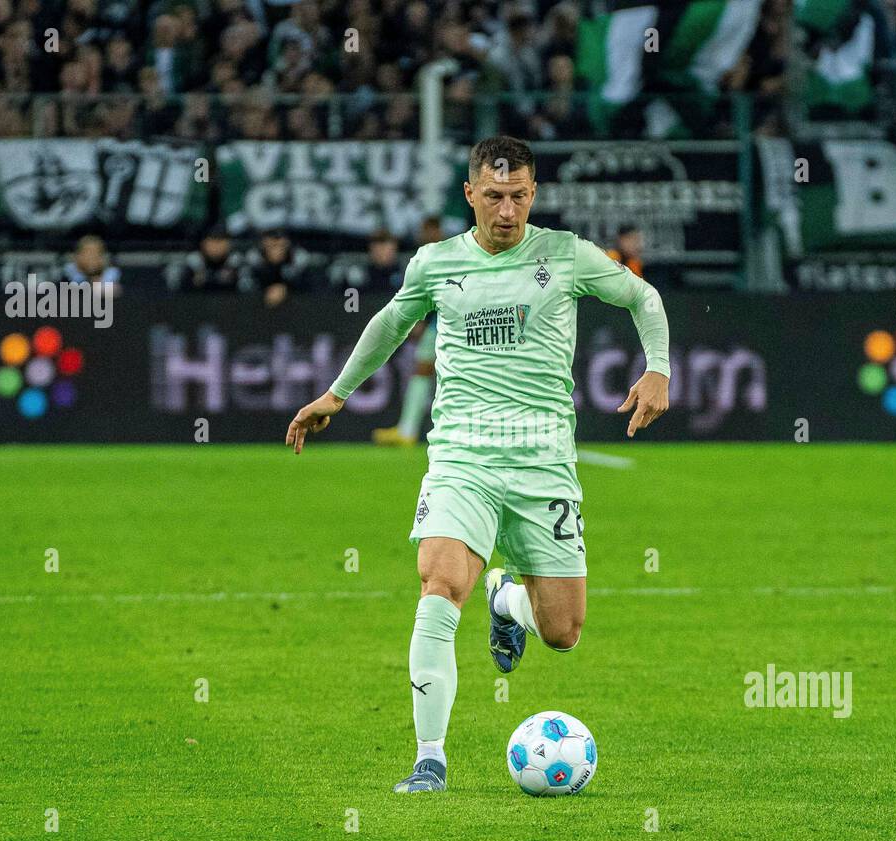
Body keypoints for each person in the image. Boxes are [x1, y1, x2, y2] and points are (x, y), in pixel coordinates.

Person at [286, 136, 670, 794]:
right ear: (470, 194)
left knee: (564, 633)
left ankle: (508, 597)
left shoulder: (566, 255)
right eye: (494, 196)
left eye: (519, 195)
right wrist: (336, 394)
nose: (507, 210)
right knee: (439, 585)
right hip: (462, 454)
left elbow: (645, 298)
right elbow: (388, 323)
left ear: (534, 194)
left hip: (544, 462)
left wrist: (659, 367)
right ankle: (429, 759)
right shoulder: (436, 263)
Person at [371, 217, 443, 447]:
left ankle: (412, 430)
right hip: (438, 323)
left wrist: (423, 317)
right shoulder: (423, 257)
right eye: (426, 231)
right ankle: (408, 430)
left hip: (452, 322)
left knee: (445, 373)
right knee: (423, 369)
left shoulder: (448, 256)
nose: (429, 235)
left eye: (432, 230)